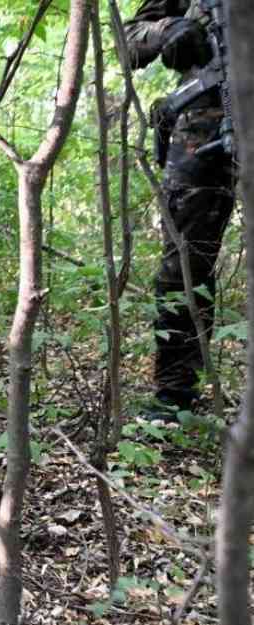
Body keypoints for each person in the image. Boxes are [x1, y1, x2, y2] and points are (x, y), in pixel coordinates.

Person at [124, 1, 236, 420]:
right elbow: (130, 40)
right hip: (202, 130)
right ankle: (175, 397)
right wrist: (169, 30)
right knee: (184, 267)